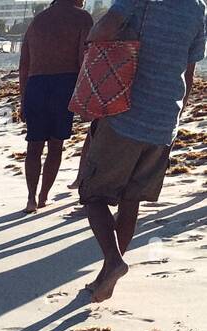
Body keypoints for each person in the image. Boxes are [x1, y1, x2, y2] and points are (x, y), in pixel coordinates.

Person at [79, 0, 206, 301]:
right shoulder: (198, 8)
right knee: (131, 199)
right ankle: (106, 275)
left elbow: (104, 31)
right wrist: (174, 115)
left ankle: (113, 261)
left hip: (125, 111)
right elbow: (189, 71)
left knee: (92, 193)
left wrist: (95, 31)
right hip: (164, 120)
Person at [19, 0, 93, 212]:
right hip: (64, 84)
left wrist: (23, 99)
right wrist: (84, 97)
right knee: (55, 146)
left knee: (33, 146)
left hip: (35, 84)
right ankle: (43, 197)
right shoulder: (82, 18)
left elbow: (24, 64)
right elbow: (84, 60)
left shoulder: (38, 20)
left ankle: (31, 199)